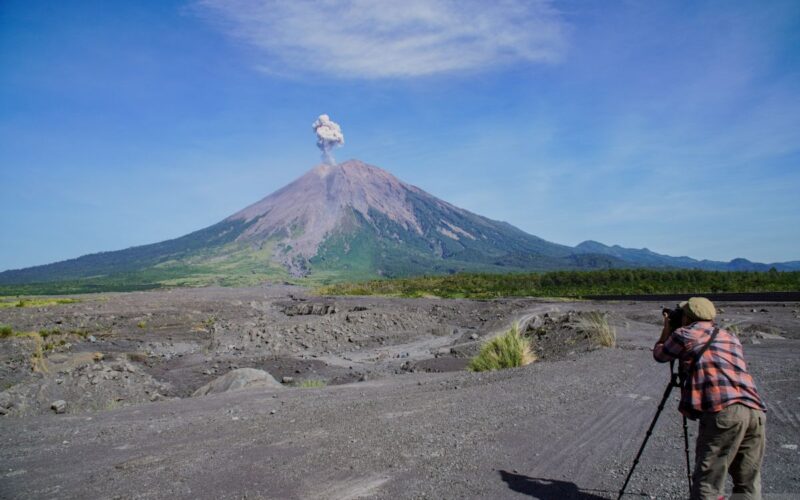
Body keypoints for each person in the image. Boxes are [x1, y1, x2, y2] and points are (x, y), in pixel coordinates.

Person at [653, 297, 767, 500]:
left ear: (687, 316)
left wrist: (667, 329)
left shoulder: (684, 333)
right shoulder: (729, 336)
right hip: (755, 410)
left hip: (724, 412)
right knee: (747, 482)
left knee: (708, 482)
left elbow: (660, 355)